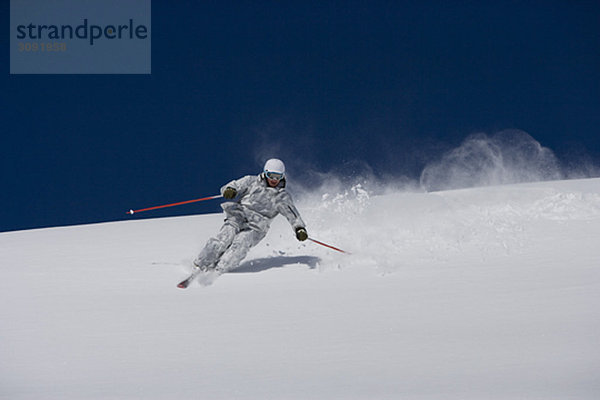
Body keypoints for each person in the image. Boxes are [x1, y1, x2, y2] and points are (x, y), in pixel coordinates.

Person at [193, 158, 308, 273]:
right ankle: (202, 263)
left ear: (282, 177)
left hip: (257, 226)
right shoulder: (252, 181)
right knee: (225, 236)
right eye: (271, 175)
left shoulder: (282, 197)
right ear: (265, 173)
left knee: (242, 242)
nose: (274, 180)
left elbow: (292, 215)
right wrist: (230, 190)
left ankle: (221, 268)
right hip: (239, 215)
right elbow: (235, 185)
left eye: (277, 177)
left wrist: (299, 228)